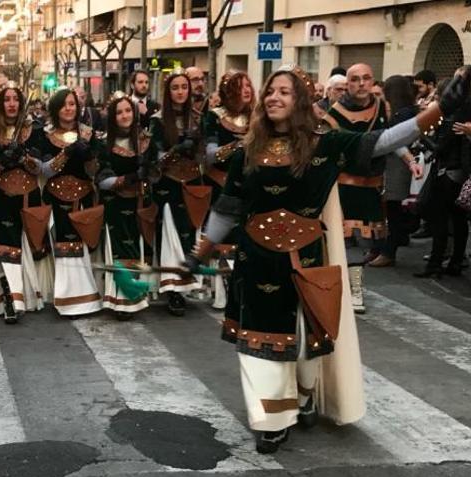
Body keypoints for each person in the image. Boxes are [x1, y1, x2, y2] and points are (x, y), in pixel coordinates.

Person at [186, 64, 462, 455]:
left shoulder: (325, 143)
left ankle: (303, 395)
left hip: (305, 260)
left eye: (284, 91)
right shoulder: (248, 149)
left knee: (302, 346)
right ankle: (271, 420)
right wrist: (200, 251)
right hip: (257, 260)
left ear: (299, 101)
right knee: (261, 344)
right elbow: (228, 207)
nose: (274, 97)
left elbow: (383, 141)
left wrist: (437, 111)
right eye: (270, 91)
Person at [322, 63, 416, 313]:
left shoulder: (381, 107)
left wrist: (409, 160)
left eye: (366, 78)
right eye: (355, 79)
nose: (361, 84)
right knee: (346, 241)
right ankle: (348, 289)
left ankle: (352, 287)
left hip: (372, 185)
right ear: (348, 84)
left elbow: (389, 138)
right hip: (343, 186)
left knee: (365, 242)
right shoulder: (334, 114)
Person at [0, 81, 47, 323]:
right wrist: (1, 161)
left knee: (29, 246)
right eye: (6, 99)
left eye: (15, 99)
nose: (11, 104)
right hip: (1, 194)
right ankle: (11, 298)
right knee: (5, 246)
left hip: (29, 193)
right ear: (0, 104)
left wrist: (24, 157)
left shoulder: (35, 130)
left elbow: (40, 165)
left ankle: (29, 295)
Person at [34, 87, 102, 317]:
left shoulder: (88, 133)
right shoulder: (44, 134)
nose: (69, 109)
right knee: (61, 248)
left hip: (83, 198)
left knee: (82, 248)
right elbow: (45, 170)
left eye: (72, 104)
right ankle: (65, 298)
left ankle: (86, 298)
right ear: (55, 109)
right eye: (64, 105)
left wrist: (89, 155)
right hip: (55, 197)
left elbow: (94, 172)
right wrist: (67, 153)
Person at [97, 92, 158, 320]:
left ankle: (137, 297)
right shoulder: (104, 143)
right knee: (120, 251)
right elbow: (102, 180)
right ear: (113, 117)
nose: (125, 115)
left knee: (140, 248)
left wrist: (149, 171)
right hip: (116, 204)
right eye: (119, 112)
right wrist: (127, 178)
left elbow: (158, 171)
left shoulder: (147, 140)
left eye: (128, 110)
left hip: (141, 204)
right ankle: (121, 300)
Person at [150, 72, 205, 316]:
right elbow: (156, 159)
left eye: (184, 87)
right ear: (168, 91)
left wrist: (197, 147)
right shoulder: (158, 120)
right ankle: (173, 288)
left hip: (193, 183)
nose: (181, 91)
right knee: (170, 235)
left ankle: (188, 284)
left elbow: (207, 155)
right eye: (175, 87)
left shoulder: (199, 119)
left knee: (191, 235)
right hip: (169, 185)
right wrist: (176, 149)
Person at [203, 70, 254, 309]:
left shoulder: (256, 116)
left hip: (248, 184)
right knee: (221, 235)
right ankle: (221, 290)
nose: (246, 90)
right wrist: (237, 145)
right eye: (239, 86)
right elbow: (211, 156)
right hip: (219, 183)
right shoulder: (213, 116)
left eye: (248, 85)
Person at [414, 66, 471, 278]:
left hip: (449, 171)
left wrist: (424, 139)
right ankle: (455, 261)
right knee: (458, 220)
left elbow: (443, 146)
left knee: (440, 219)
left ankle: (436, 263)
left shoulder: (456, 112)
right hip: (460, 172)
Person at [369, 75, 422, 267]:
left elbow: (394, 140)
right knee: (393, 208)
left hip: (397, 166)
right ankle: (386, 246)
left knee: (393, 209)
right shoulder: (408, 111)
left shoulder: (402, 114)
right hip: (399, 165)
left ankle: (388, 250)